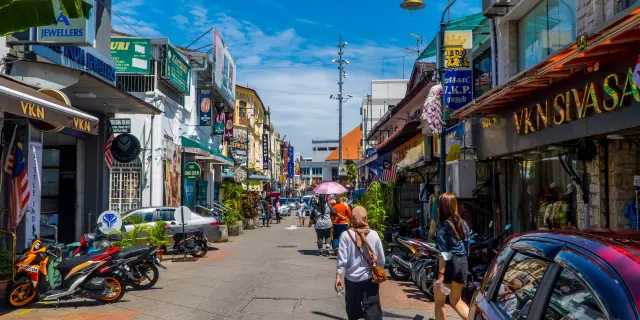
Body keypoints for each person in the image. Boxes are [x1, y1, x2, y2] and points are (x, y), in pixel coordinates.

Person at [335, 206, 385, 320]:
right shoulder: (374, 234)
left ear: (352, 218)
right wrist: (379, 273)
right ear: (365, 217)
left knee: (353, 310)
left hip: (351, 279)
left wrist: (338, 277)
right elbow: (381, 259)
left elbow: (342, 259)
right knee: (373, 311)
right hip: (369, 279)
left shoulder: (345, 235)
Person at [434, 192, 470, 320]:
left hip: (449, 265)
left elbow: (443, 252)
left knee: (439, 303)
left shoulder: (443, 225)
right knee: (456, 300)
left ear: (442, 207)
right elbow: (467, 247)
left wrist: (441, 275)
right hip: (462, 263)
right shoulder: (464, 224)